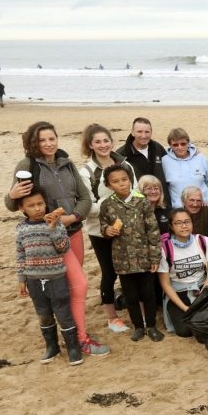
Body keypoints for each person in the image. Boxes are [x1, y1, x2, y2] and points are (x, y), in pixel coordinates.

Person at [5, 121, 109, 356]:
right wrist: (11, 195)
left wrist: (72, 217)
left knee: (72, 288)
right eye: (42, 140)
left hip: (73, 233)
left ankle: (71, 334)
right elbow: (14, 205)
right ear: (34, 142)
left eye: (52, 138)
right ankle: (81, 339)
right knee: (81, 285)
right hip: (49, 239)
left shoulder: (67, 163)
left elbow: (84, 197)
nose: (48, 143)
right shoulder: (28, 165)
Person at [77, 124, 138, 333]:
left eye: (106, 141)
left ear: (112, 142)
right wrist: (111, 200)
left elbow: (135, 192)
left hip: (127, 227)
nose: (103, 145)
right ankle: (112, 318)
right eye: (98, 142)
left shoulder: (125, 164)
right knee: (109, 273)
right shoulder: (86, 172)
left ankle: (133, 309)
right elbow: (86, 206)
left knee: (129, 270)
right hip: (100, 231)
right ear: (90, 145)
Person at [16, 188, 84, 365]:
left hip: (56, 277)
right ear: (22, 208)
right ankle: (52, 347)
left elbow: (63, 247)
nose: (37, 208)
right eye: (31, 205)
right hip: (33, 279)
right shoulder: (21, 228)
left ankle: (73, 348)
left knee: (63, 311)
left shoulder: (56, 223)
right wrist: (21, 279)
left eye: (40, 203)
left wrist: (53, 228)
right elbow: (20, 254)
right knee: (43, 313)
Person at [99, 165, 164, 342]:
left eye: (124, 179)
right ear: (108, 184)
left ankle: (151, 326)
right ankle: (138, 327)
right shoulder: (107, 205)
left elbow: (153, 230)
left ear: (130, 179)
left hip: (144, 258)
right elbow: (103, 225)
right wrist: (107, 230)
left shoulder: (141, 201)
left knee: (148, 293)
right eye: (115, 181)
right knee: (131, 296)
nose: (121, 184)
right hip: (122, 259)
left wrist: (155, 256)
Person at [157, 209, 208, 337]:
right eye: (178, 223)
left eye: (187, 221)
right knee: (185, 331)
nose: (184, 226)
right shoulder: (165, 248)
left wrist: (203, 295)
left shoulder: (203, 241)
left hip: (202, 288)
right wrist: (186, 309)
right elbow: (166, 284)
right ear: (171, 226)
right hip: (179, 292)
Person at [162, 128, 208, 209]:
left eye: (183, 143)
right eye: (175, 145)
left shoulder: (201, 158)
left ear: (188, 143)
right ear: (170, 146)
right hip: (179, 209)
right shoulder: (164, 161)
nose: (180, 147)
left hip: (202, 207)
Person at [180, 186, 208, 277]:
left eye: (198, 200)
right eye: (191, 200)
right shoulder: (178, 215)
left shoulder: (206, 211)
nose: (195, 204)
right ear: (184, 201)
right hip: (187, 261)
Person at [118, 117, 168, 190]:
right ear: (132, 132)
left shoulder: (158, 148)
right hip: (138, 198)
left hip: (159, 196)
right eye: (139, 132)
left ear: (151, 132)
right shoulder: (121, 154)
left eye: (147, 132)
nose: (144, 136)